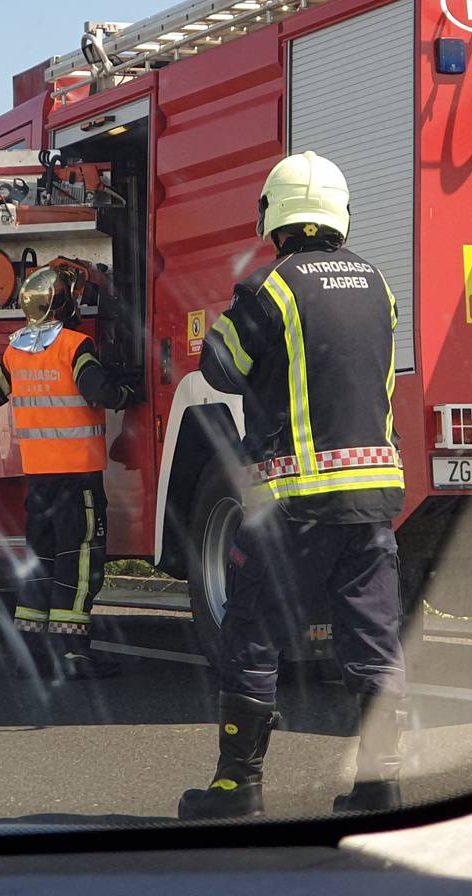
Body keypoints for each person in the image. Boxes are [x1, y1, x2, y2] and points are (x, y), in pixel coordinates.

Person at [178, 151, 407, 820]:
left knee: (252, 635)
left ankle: (237, 788)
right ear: (339, 215)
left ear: (273, 218)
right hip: (372, 505)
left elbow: (217, 367)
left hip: (294, 504)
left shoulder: (268, 288)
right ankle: (378, 789)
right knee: (372, 642)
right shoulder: (378, 285)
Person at [0, 262, 138, 681]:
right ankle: (72, 653)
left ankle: (32, 649)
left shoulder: (14, 351)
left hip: (39, 479)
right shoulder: (75, 347)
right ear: (64, 304)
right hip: (78, 477)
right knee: (79, 560)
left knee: (40, 559)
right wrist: (129, 391)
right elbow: (97, 390)